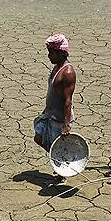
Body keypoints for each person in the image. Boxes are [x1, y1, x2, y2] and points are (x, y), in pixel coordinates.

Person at [33, 34, 76, 174]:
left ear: (61, 53)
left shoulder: (67, 72)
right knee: (38, 138)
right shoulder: (57, 66)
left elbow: (67, 100)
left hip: (59, 118)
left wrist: (66, 124)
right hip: (49, 114)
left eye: (51, 52)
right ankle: (59, 159)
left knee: (59, 145)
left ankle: (62, 172)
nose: (49, 56)